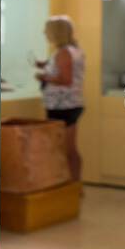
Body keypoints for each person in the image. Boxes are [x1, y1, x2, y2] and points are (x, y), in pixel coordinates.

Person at [35, 15, 85, 181]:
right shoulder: (72, 50)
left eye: (47, 31)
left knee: (65, 148)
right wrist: (47, 66)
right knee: (68, 147)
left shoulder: (64, 52)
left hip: (63, 106)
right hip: (68, 104)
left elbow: (65, 79)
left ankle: (71, 184)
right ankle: (73, 183)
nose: (44, 33)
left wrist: (44, 77)